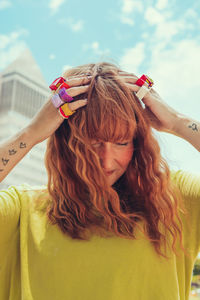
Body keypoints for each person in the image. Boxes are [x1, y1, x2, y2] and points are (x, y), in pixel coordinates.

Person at [0, 62, 199, 300]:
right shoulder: (22, 212)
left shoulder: (173, 200)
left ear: (138, 143)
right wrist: (30, 134)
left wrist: (178, 122)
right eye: (91, 143)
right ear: (65, 143)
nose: (106, 162)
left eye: (122, 142)